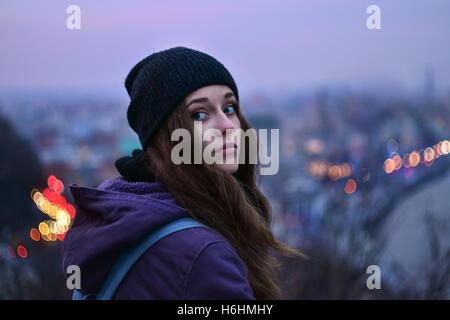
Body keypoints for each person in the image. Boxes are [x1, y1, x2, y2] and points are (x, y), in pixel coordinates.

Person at [62, 46, 304, 300]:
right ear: (167, 136)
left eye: (230, 107)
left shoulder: (123, 219)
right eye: (200, 114)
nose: (226, 125)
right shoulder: (202, 254)